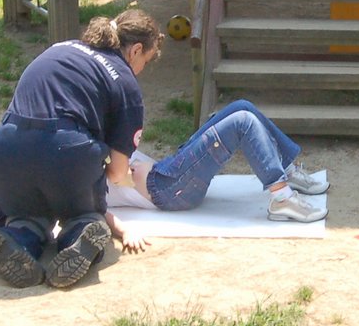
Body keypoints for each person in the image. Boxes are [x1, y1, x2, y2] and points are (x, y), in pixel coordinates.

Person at [0, 9, 160, 289]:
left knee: (29, 215)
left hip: (5, 148)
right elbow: (116, 173)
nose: (140, 71)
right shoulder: (126, 84)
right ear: (136, 50)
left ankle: (18, 237)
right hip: (66, 152)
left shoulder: (61, 47)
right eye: (145, 62)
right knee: (85, 214)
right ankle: (80, 234)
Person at [103, 99, 329, 248]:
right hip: (170, 190)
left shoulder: (85, 140)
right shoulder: (76, 175)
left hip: (169, 170)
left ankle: (285, 170)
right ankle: (282, 198)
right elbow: (90, 207)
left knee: (243, 106)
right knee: (243, 122)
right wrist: (123, 231)